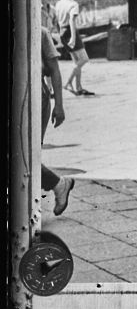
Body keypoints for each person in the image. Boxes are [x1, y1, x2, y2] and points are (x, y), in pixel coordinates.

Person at [41, 24, 75, 215]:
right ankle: (58, 184)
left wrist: (59, 105)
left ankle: (58, 184)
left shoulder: (41, 32)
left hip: (36, 98)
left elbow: (54, 69)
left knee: (25, 155)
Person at [53, 0, 94, 96]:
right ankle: (68, 82)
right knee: (84, 59)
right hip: (70, 31)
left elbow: (56, 20)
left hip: (62, 31)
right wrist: (73, 37)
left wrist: (60, 33)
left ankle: (78, 87)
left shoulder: (58, 3)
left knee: (77, 61)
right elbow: (72, 21)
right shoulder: (73, 4)